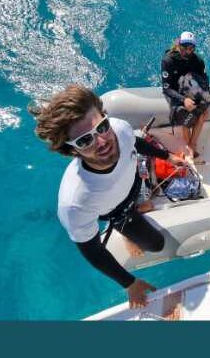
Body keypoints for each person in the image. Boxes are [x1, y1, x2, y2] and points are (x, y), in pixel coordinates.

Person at [30, 85, 187, 309]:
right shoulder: (75, 202)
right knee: (156, 244)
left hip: (133, 186)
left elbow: (135, 143)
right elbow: (91, 249)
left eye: (102, 127)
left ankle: (137, 211)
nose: (102, 141)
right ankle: (125, 232)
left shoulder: (120, 129)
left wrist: (168, 156)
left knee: (143, 205)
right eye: (85, 141)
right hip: (116, 211)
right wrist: (129, 283)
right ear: (71, 149)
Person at [161, 31, 210, 157]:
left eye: (191, 48)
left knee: (204, 113)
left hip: (190, 88)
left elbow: (204, 79)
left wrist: (206, 97)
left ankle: (192, 145)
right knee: (186, 114)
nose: (187, 50)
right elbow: (166, 89)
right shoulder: (168, 60)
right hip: (175, 92)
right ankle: (190, 148)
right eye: (184, 46)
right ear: (178, 45)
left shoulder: (198, 61)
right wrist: (183, 100)